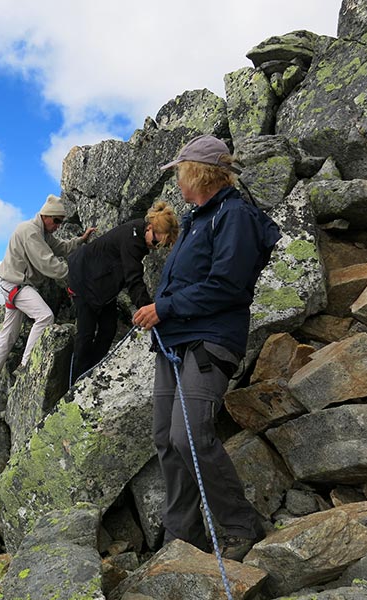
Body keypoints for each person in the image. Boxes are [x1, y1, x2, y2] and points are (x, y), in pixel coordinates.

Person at [132, 134, 281, 560]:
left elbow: (228, 287)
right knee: (165, 437)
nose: (177, 181)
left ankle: (240, 525)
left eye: (180, 171)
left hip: (209, 341)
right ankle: (183, 534)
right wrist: (158, 310)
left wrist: (164, 307)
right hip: (175, 341)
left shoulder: (233, 215)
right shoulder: (200, 217)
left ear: (198, 172)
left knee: (190, 435)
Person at [0, 194, 96, 382]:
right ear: (46, 216)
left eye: (61, 221)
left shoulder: (42, 233)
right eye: (57, 221)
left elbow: (61, 248)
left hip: (12, 286)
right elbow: (47, 263)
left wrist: (80, 240)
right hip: (17, 285)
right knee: (45, 316)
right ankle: (26, 365)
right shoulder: (31, 231)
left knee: (9, 332)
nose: (58, 225)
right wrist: (75, 273)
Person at [67, 201, 179, 382]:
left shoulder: (139, 235)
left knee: (108, 330)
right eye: (157, 241)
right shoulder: (132, 239)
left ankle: (91, 374)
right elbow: (133, 278)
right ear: (149, 227)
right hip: (83, 282)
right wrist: (149, 310)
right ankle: (75, 384)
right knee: (85, 335)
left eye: (162, 246)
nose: (156, 247)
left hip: (102, 286)